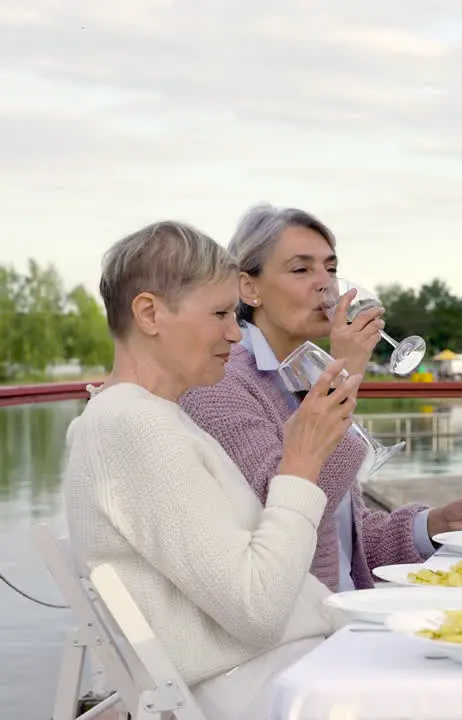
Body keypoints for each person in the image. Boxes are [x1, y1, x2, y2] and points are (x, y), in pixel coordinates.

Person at [63, 221, 355, 720]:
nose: (234, 332)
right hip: (264, 688)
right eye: (220, 313)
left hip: (277, 671)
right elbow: (257, 609)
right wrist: (300, 466)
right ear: (150, 313)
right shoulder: (134, 427)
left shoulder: (148, 418)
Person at [181, 204, 462, 593]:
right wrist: (345, 375)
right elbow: (288, 517)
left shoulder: (303, 377)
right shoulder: (221, 385)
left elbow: (342, 534)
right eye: (301, 270)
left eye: (330, 269)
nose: (325, 284)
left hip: (343, 612)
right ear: (249, 288)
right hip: (298, 629)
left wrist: (435, 525)